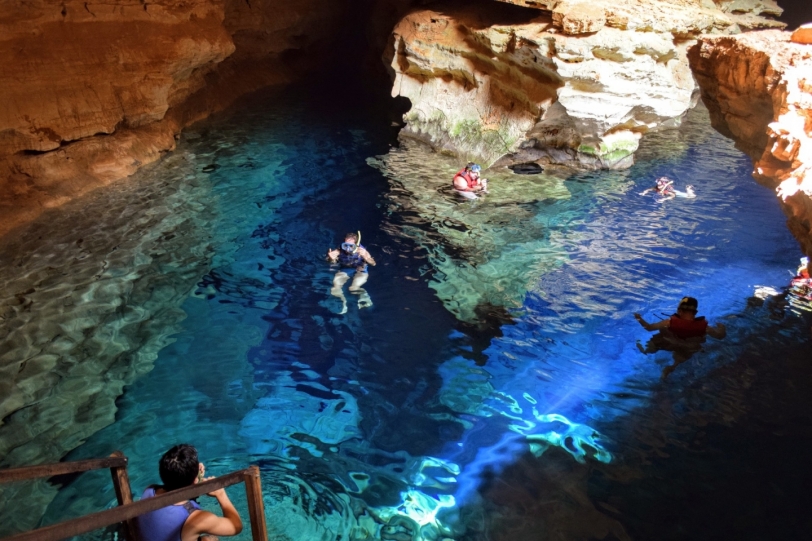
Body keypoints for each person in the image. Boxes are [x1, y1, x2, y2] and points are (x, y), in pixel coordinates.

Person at [136, 444, 242, 541]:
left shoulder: (150, 490)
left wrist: (195, 478)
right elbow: (236, 526)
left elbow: (179, 500)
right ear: (195, 479)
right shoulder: (198, 520)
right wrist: (221, 494)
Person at [633, 296, 726, 379]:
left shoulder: (669, 322)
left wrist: (639, 318)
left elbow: (649, 328)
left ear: (679, 311)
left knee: (655, 342)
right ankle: (670, 368)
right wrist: (722, 328)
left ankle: (646, 351)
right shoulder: (705, 328)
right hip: (687, 348)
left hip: (668, 343)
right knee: (679, 359)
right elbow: (720, 336)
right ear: (695, 312)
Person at [326, 232, 376, 314]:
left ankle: (364, 298)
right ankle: (343, 303)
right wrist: (330, 259)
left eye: (351, 246)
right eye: (345, 245)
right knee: (335, 288)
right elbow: (330, 262)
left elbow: (373, 264)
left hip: (361, 270)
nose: (347, 249)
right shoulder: (339, 250)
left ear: (356, 245)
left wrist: (366, 257)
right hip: (346, 269)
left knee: (353, 288)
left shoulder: (362, 251)